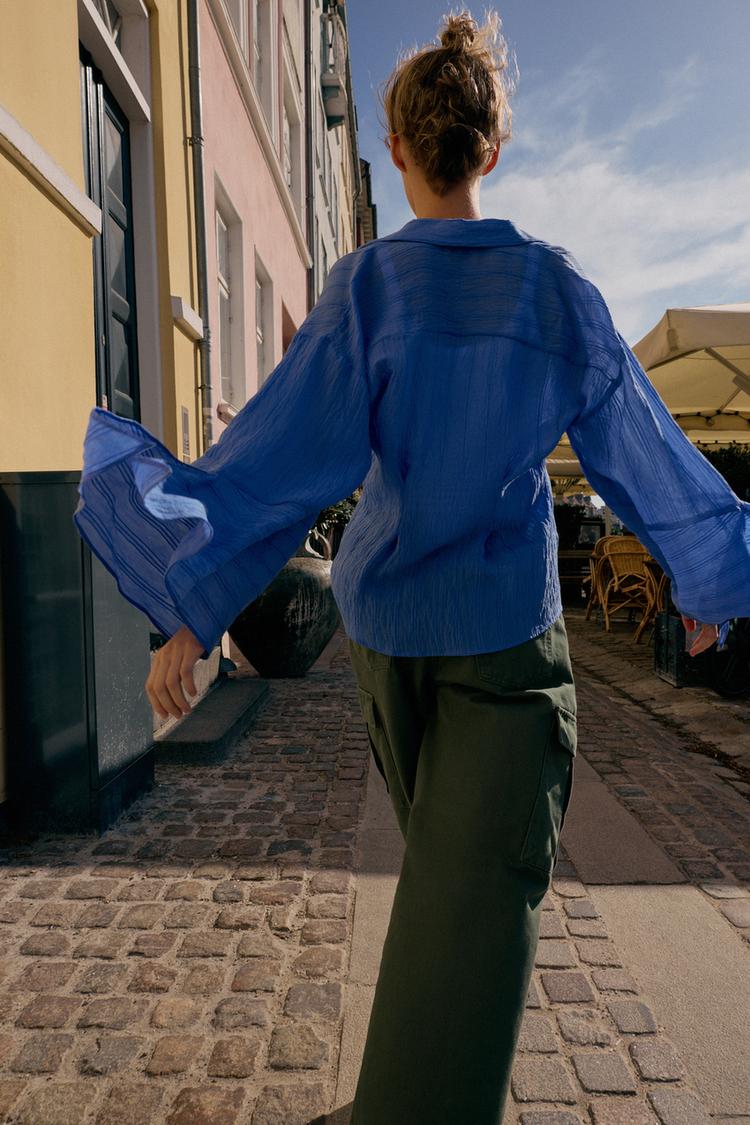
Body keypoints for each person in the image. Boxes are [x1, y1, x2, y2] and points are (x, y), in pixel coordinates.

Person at [73, 9, 749, 1122]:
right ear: (493, 149)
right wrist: (709, 575)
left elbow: (277, 460)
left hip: (389, 640)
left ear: (396, 149)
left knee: (448, 889)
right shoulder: (556, 293)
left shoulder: (365, 291)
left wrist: (194, 606)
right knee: (468, 902)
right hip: (502, 637)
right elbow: (640, 445)